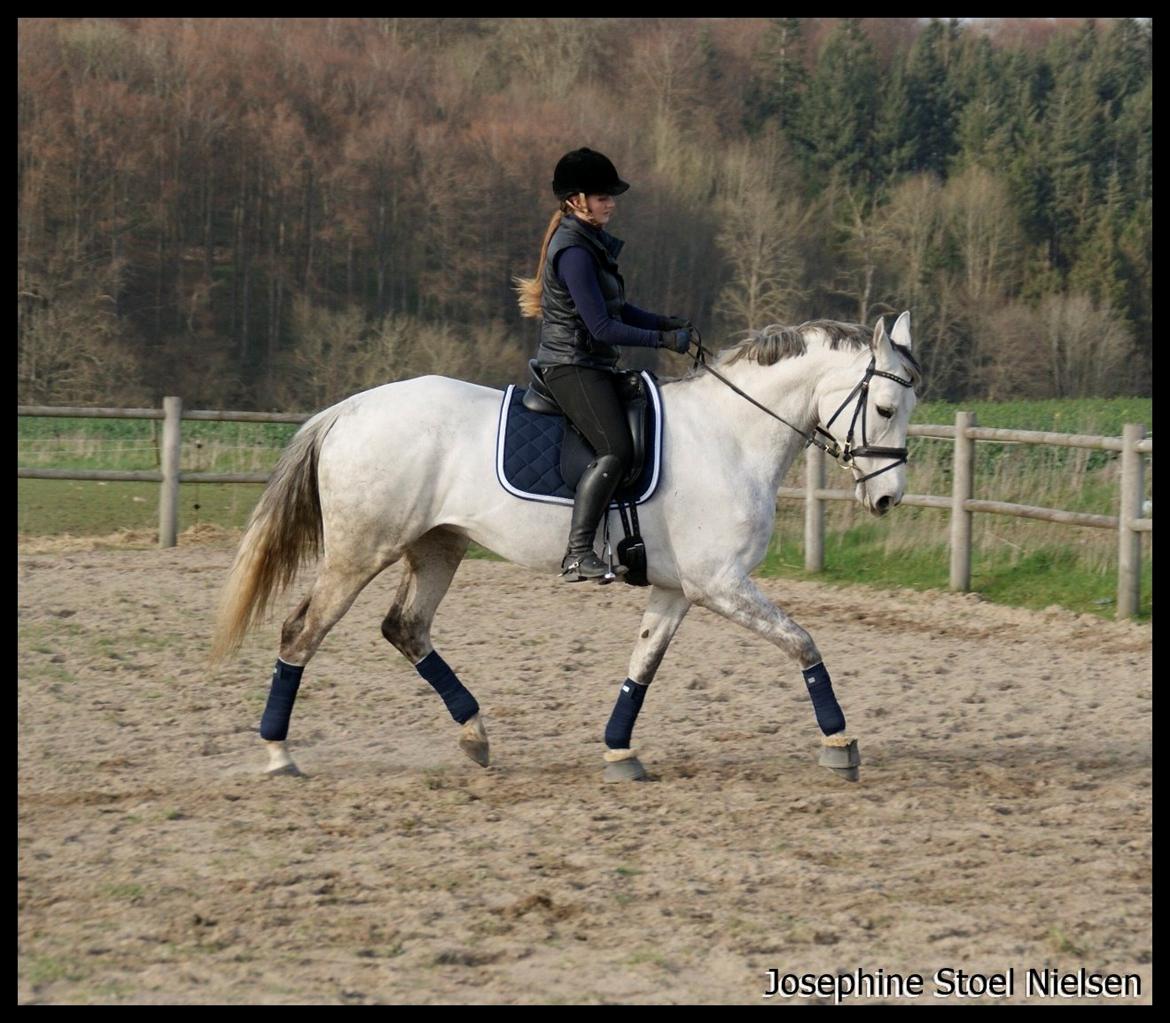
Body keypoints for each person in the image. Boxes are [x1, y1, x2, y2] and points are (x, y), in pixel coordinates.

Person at [514, 147, 698, 581]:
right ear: (577, 200)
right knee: (615, 447)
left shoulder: (587, 243)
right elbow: (601, 326)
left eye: (610, 196)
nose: (610, 202)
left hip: (588, 363)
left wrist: (665, 321)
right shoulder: (574, 251)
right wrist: (661, 340)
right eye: (602, 196)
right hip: (571, 364)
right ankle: (578, 552)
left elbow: (618, 306)